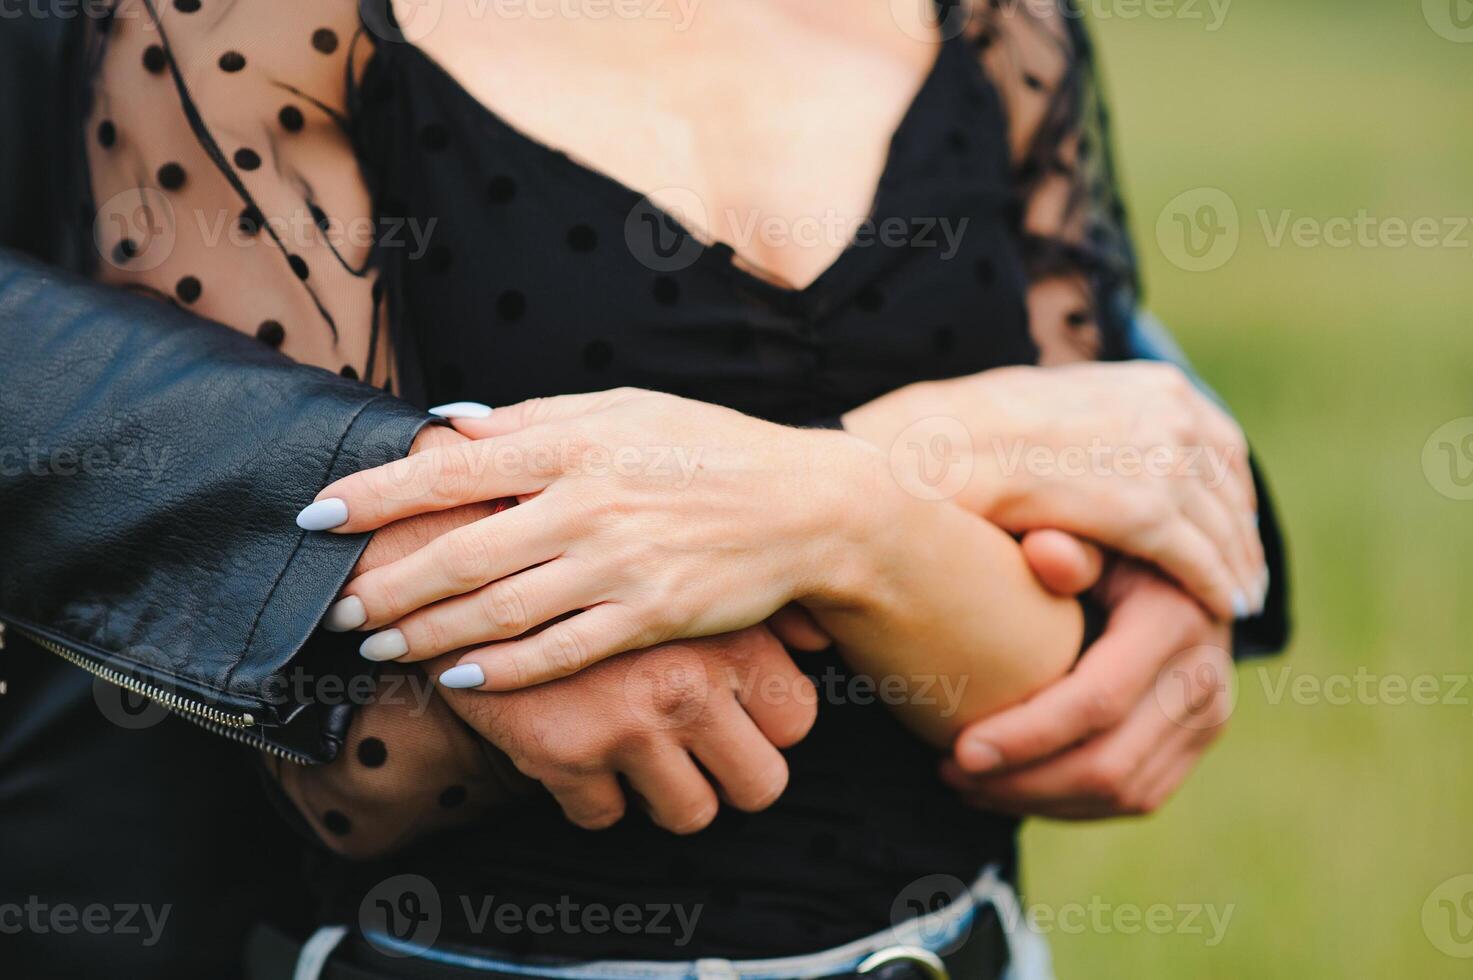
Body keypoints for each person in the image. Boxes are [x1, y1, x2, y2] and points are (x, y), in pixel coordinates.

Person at [0, 0, 1288, 977]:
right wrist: (916, 516)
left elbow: (1050, 673)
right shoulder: (243, 33)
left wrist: (839, 508)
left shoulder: (995, 22)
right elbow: (360, 752)